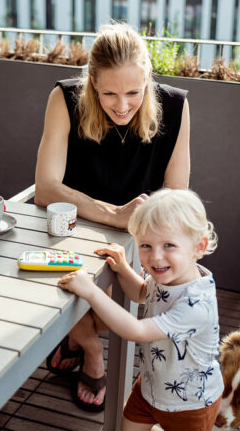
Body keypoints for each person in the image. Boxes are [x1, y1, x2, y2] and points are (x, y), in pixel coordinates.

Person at [35, 22, 190, 411]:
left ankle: (76, 337)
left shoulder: (175, 106)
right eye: (109, 94)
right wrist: (112, 214)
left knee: (119, 302)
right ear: (91, 82)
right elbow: (46, 188)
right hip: (73, 226)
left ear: (148, 80)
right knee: (55, 282)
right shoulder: (64, 98)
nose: (122, 105)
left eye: (134, 93)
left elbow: (176, 197)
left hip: (142, 232)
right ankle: (90, 350)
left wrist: (132, 225)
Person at [58, 188, 224, 431]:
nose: (155, 256)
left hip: (191, 401)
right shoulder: (170, 276)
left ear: (198, 247)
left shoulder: (196, 304)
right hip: (153, 383)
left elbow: (136, 331)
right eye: (145, 245)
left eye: (169, 245)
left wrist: (92, 292)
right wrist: (123, 269)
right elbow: (141, 293)